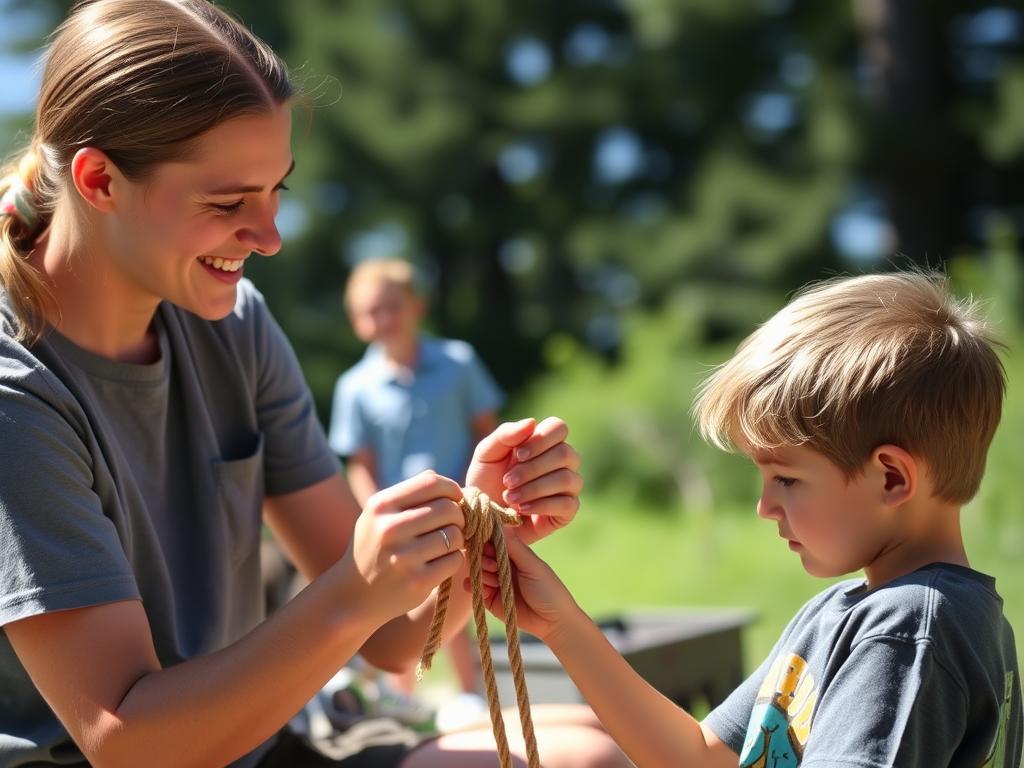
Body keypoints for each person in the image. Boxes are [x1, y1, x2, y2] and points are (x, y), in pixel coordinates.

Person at [0, 2, 629, 767]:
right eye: (228, 203)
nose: (268, 238)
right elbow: (128, 743)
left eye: (277, 194)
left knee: (591, 748)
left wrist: (485, 527)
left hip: (259, 746)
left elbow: (395, 635)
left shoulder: (236, 325)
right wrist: (351, 594)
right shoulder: (17, 393)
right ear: (100, 179)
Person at [479, 271, 1024, 767]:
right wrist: (562, 626)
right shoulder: (848, 611)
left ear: (892, 478)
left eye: (786, 480)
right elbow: (698, 756)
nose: (764, 508)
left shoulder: (908, 631)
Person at [327, 257, 500, 727]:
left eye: (392, 306)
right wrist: (377, 515)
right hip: (401, 518)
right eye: (370, 311)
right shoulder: (355, 387)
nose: (383, 319)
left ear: (416, 306)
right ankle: (405, 700)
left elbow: (486, 432)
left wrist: (477, 495)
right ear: (357, 321)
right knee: (399, 604)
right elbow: (359, 465)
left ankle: (470, 696)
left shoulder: (458, 363)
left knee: (459, 592)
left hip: (461, 507)